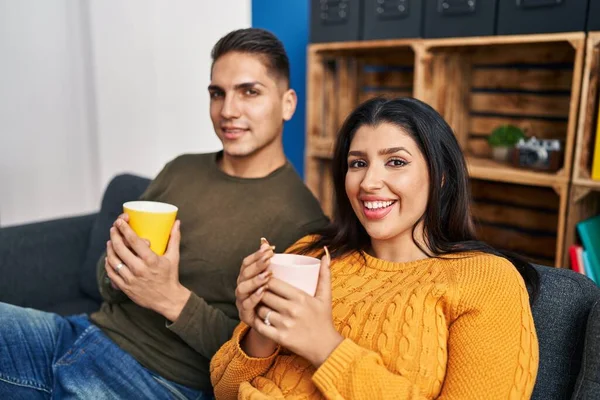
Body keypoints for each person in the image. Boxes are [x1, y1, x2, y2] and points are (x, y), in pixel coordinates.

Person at [0, 28, 327, 399]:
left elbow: (264, 360)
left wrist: (169, 298)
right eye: (217, 93)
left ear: (287, 103)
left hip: (158, 382)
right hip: (79, 335)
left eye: (249, 92)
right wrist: (121, 266)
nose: (228, 110)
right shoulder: (182, 169)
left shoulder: (303, 221)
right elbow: (106, 282)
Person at [210, 97, 540, 399]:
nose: (368, 182)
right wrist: (261, 328)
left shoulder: (487, 281)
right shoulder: (311, 253)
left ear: (441, 176)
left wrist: (326, 347)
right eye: (357, 163)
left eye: (396, 162)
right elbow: (224, 391)